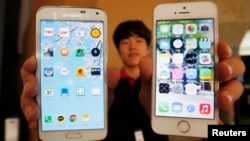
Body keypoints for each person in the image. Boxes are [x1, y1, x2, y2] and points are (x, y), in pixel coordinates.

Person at [20, 20, 245, 141]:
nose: (132, 45)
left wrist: (221, 125)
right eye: (125, 41)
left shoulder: (170, 83)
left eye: (139, 40)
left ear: (148, 46)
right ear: (117, 48)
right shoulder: (104, 83)